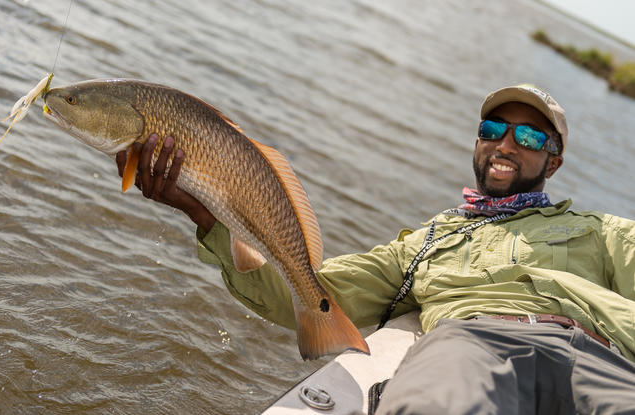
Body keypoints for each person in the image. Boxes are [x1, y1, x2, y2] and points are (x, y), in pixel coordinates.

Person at [116, 84, 635, 414]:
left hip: (598, 351)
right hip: (471, 345)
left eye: (529, 137)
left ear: (554, 162)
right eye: (493, 129)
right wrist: (207, 217)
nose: (506, 144)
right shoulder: (427, 243)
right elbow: (308, 296)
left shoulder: (601, 231)